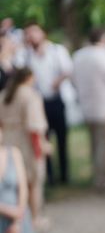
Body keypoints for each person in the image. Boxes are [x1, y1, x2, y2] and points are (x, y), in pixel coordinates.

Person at [72, 28, 105, 192]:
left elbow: (73, 79)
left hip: (86, 105)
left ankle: (96, 175)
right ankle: (103, 179)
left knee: (94, 142)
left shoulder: (79, 56)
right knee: (104, 144)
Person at [23, 22, 72, 185]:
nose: (32, 37)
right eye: (29, 34)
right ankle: (50, 174)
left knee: (62, 138)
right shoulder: (27, 55)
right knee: (44, 138)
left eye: (34, 33)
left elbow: (67, 70)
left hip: (56, 99)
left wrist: (57, 82)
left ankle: (65, 174)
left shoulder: (57, 51)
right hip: (40, 102)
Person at [0, 69, 49, 231]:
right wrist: (40, 147)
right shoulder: (29, 95)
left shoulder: (5, 94)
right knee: (32, 182)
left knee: (14, 182)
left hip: (7, 140)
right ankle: (34, 217)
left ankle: (19, 216)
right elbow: (34, 126)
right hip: (25, 142)